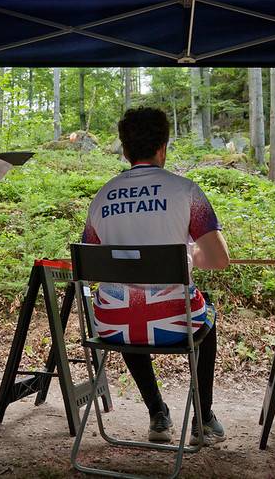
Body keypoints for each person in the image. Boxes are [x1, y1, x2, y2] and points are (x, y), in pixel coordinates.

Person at [82, 107, 230, 445]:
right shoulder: (186, 191)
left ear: (125, 150)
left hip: (112, 325)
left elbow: (91, 261)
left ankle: (157, 414)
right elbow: (220, 260)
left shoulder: (102, 197)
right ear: (163, 147)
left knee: (127, 307)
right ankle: (204, 419)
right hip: (175, 323)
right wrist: (191, 255)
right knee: (208, 316)